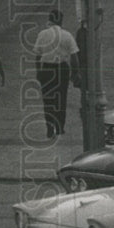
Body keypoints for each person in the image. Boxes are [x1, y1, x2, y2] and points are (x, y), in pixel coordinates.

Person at [33, 9, 80, 138]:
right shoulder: (67, 35)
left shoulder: (42, 34)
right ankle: (60, 127)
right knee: (61, 97)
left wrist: (38, 71)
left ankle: (49, 126)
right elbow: (74, 57)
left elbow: (37, 55)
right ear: (61, 20)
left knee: (48, 99)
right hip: (62, 69)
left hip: (47, 69)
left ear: (50, 19)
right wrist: (75, 72)